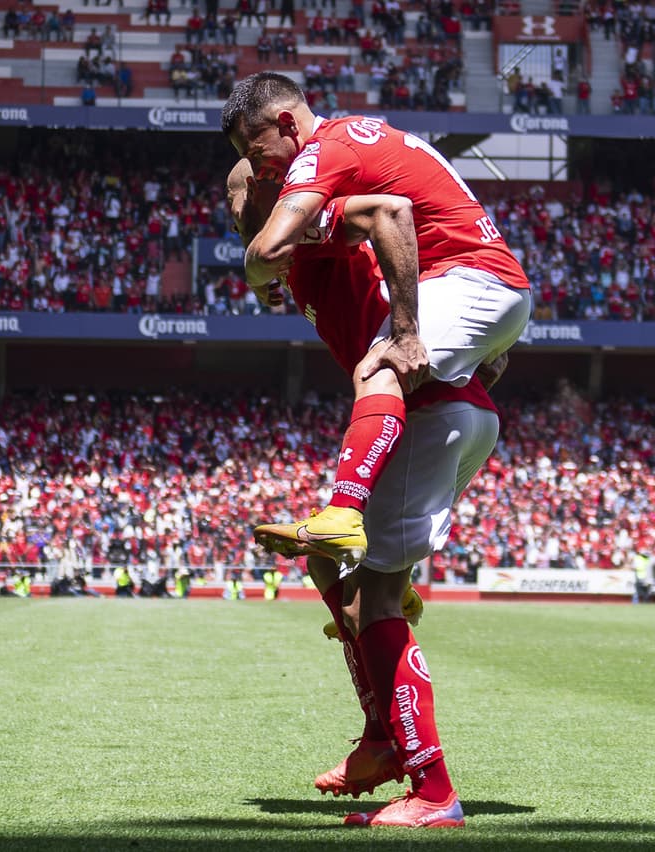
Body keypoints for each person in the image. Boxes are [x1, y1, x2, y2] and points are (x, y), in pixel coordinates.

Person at [225, 159, 509, 828]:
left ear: (272, 192)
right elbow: (493, 358)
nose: (235, 214)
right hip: (455, 413)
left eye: (239, 197)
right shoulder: (298, 260)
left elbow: (383, 215)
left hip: (436, 415)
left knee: (375, 599)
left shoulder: (318, 220)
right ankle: (381, 738)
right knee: (330, 565)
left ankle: (433, 790)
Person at [223, 72, 531, 572]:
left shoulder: (322, 152)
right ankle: (370, 576)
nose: (262, 171)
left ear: (286, 123)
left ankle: (344, 511)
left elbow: (378, 215)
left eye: (257, 155)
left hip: (472, 283)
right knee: (345, 578)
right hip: (479, 285)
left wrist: (407, 334)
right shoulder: (357, 139)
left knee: (379, 367)